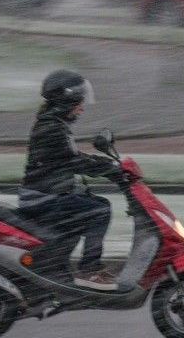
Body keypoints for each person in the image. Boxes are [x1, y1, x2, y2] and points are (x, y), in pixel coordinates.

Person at [18, 69, 120, 291]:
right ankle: (89, 270)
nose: (82, 107)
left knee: (89, 206)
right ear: (67, 101)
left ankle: (56, 267)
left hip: (46, 194)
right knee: (99, 211)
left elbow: (71, 160)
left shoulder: (53, 124)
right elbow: (74, 162)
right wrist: (112, 169)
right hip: (42, 198)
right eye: (79, 102)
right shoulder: (51, 129)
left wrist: (110, 167)